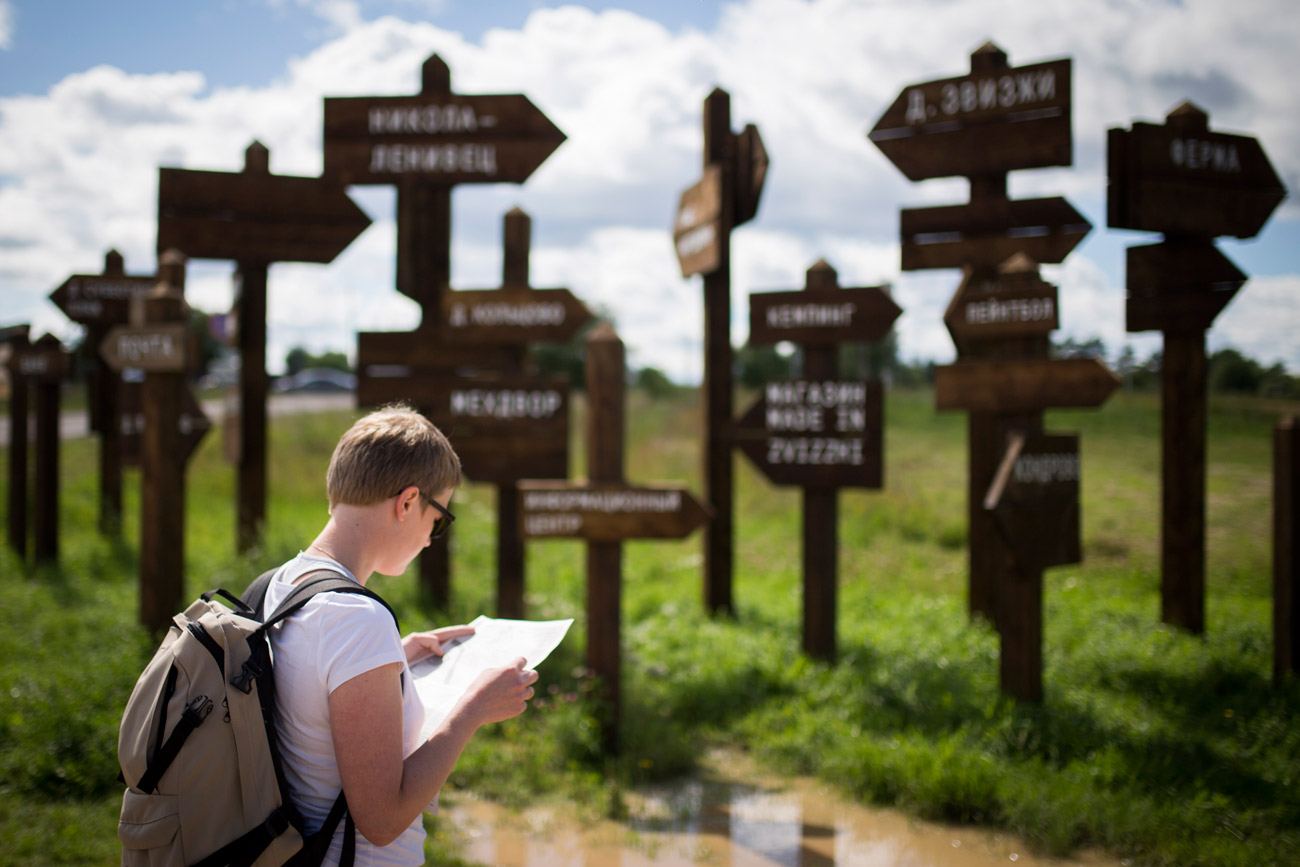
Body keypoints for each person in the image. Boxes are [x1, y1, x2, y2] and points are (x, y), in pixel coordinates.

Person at [261, 403, 538, 866]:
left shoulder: (284, 582)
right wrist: (471, 712)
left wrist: (395, 659)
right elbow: (383, 820)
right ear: (408, 502)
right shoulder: (357, 621)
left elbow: (307, 684)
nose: (432, 538)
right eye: (439, 519)